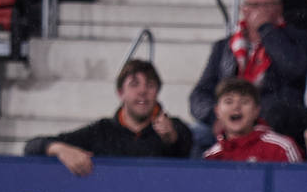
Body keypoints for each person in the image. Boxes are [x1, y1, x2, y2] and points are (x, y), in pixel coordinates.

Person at [189, 0, 307, 152]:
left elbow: (295, 70)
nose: (261, 11)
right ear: (243, 9)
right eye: (254, 5)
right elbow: (199, 93)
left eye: (267, 5)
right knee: (196, 135)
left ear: (279, 8)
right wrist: (215, 117)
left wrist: (266, 30)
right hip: (229, 120)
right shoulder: (224, 47)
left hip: (272, 122)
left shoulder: (297, 39)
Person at [23, 58, 192, 173]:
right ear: (120, 93)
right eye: (134, 85)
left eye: (150, 85)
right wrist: (59, 149)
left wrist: (171, 137)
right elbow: (32, 147)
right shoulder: (102, 131)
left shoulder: (175, 128)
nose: (142, 91)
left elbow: (185, 146)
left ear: (157, 92)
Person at [202, 78, 302, 163]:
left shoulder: (282, 147)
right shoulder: (211, 157)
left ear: (256, 111)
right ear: (217, 111)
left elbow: (297, 184)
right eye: (229, 102)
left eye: (244, 102)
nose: (236, 107)